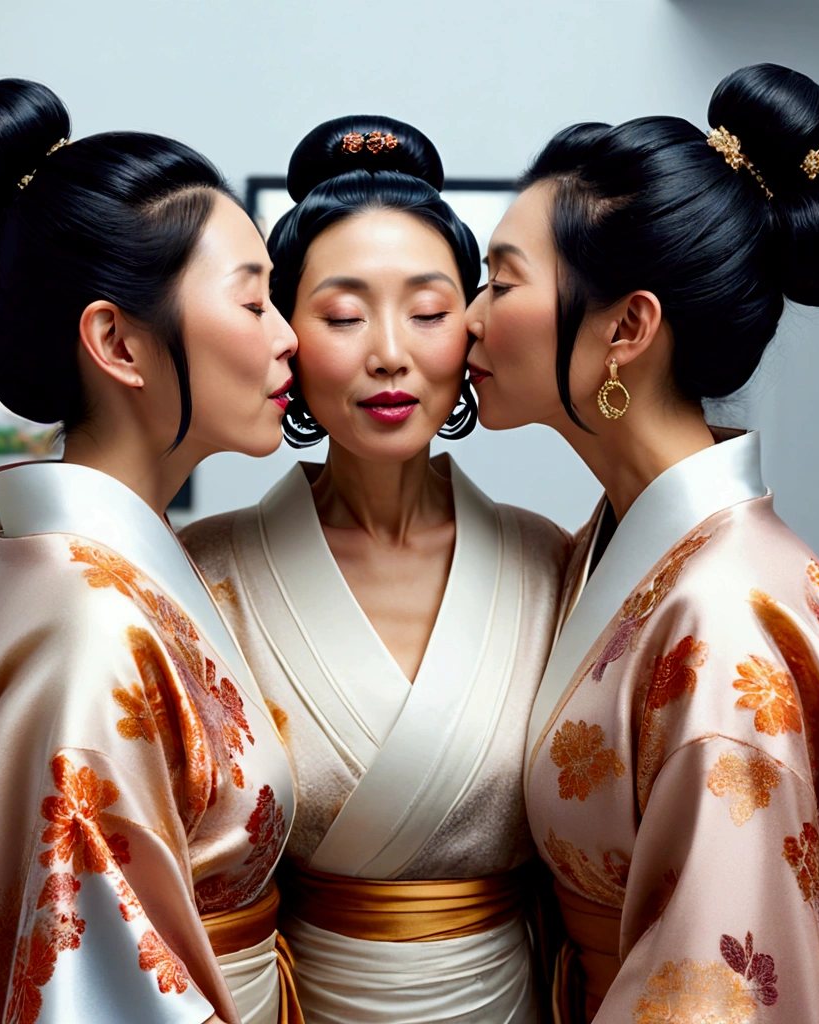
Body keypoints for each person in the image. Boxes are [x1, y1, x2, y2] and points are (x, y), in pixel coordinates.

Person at [463, 62, 819, 1023]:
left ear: (627, 327)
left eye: (500, 282)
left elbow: (717, 982)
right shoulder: (637, 547)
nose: (469, 318)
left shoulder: (720, 613)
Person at [0, 78, 301, 1024]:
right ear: (117, 342)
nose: (287, 339)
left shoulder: (77, 563)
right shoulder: (94, 626)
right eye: (253, 305)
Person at [181, 116, 571, 1023]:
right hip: (297, 998)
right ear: (284, 334)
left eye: (430, 312)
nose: (389, 351)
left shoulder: (550, 563)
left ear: (472, 329)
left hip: (503, 993)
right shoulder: (207, 570)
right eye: (344, 315)